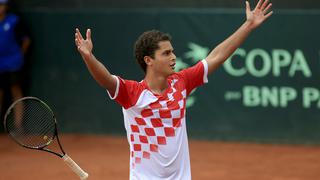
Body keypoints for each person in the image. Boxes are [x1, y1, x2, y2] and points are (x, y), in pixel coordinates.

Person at [75, 0, 273, 179]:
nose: (173, 57)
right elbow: (107, 80)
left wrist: (248, 26)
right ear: (148, 60)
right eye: (166, 53)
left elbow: (216, 56)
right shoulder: (132, 93)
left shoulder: (181, 82)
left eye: (173, 51)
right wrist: (88, 57)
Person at [0, 0, 30, 120]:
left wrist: (19, 56)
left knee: (16, 91)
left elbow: (26, 40)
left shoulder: (14, 21)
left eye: (2, 5)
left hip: (13, 63)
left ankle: (18, 127)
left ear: (6, 6)